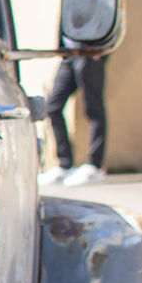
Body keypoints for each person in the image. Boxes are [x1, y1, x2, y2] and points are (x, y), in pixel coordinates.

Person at [41, 53, 108, 186]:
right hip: (68, 55)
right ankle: (65, 165)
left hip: (90, 53)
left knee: (93, 110)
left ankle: (94, 167)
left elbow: (115, 31)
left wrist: (102, 49)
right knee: (52, 108)